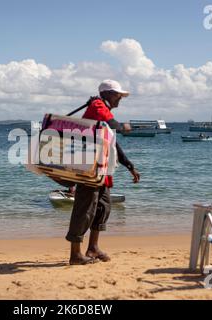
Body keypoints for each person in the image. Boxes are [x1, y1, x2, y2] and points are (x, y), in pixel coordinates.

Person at [66, 79, 140, 265]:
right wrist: (124, 127)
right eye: (117, 95)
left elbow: (113, 144)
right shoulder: (98, 105)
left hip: (103, 170)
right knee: (84, 209)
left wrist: (129, 166)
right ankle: (75, 254)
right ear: (106, 94)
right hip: (89, 168)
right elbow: (114, 124)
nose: (120, 99)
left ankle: (93, 248)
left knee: (102, 207)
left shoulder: (103, 110)